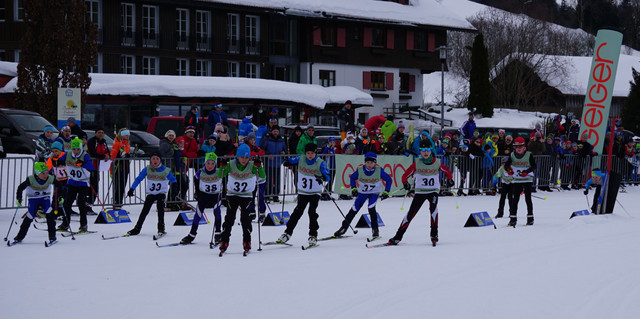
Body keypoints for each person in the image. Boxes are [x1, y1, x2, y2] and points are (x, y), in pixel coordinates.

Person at [388, 142, 454, 246]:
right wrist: (405, 183)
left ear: (431, 151)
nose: (425, 152)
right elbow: (405, 175)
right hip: (420, 192)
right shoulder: (417, 163)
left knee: (433, 210)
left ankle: (434, 235)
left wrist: (450, 179)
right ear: (420, 151)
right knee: (410, 214)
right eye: (423, 150)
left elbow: (447, 170)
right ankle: (397, 237)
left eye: (427, 150)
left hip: (433, 192)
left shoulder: (436, 162)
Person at [275, 143, 330, 245]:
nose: (310, 155)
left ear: (315, 153)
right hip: (303, 192)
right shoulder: (301, 159)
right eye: (308, 153)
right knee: (297, 212)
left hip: (314, 193)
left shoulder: (320, 163)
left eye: (312, 153)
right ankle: (287, 233)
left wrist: (322, 178)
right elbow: (290, 160)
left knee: (312, 212)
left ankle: (313, 235)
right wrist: (286, 162)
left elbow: (327, 175)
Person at [218, 144, 266, 254]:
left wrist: (259, 167)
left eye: (246, 158)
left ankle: (247, 241)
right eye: (241, 157)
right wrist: (222, 166)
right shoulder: (231, 164)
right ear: (237, 157)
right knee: (229, 218)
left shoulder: (252, 166)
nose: (244, 160)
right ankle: (224, 241)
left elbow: (262, 177)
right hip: (232, 195)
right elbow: (220, 175)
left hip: (246, 196)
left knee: (245, 219)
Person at [333, 152, 392, 240]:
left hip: (374, 193)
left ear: (375, 163)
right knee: (354, 209)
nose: (369, 165)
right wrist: (354, 188)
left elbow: (389, 180)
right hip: (362, 193)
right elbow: (352, 177)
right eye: (367, 162)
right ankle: (343, 228)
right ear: (365, 162)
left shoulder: (379, 170)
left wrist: (386, 191)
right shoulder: (360, 169)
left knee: (371, 208)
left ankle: (375, 230)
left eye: (371, 163)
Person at [11, 162, 65, 245]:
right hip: (33, 198)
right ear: (37, 172)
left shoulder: (50, 178)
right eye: (43, 173)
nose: (45, 175)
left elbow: (60, 185)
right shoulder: (30, 179)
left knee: (48, 211)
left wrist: (60, 197)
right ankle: (20, 236)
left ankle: (52, 236)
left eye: (47, 172)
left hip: (45, 198)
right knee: (30, 215)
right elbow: (20, 187)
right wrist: (19, 198)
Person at [126, 153, 178, 237]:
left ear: (160, 160)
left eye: (157, 158)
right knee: (144, 211)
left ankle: (161, 229)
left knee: (160, 209)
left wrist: (174, 188)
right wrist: (132, 189)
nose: (155, 160)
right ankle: (137, 228)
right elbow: (139, 178)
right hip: (151, 193)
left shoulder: (165, 170)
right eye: (153, 158)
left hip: (161, 193)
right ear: (150, 160)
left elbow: (173, 179)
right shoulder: (147, 169)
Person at [179, 152, 224, 244]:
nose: (210, 166)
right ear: (205, 163)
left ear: (215, 164)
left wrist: (225, 191)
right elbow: (196, 180)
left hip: (216, 195)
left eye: (212, 163)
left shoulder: (219, 171)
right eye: (208, 163)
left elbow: (226, 179)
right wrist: (197, 192)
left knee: (217, 213)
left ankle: (218, 233)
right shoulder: (200, 172)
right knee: (198, 214)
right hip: (204, 195)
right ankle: (192, 234)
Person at [58, 137, 95, 232]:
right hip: (72, 181)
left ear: (81, 149)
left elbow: (91, 167)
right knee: (67, 203)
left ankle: (83, 225)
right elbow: (59, 160)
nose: (76, 151)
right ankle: (65, 224)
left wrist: (82, 163)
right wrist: (58, 161)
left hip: (83, 182)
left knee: (80, 203)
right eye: (74, 149)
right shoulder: (68, 153)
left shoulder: (85, 155)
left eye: (78, 149)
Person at [504, 136, 536, 227]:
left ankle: (530, 218)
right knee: (515, 199)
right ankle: (513, 219)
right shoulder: (512, 155)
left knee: (528, 198)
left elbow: (534, 166)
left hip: (527, 179)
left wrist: (527, 172)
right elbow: (506, 165)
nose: (518, 148)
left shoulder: (529, 154)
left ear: (524, 146)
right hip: (517, 180)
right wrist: (509, 170)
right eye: (516, 147)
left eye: (520, 146)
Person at [262, 125, 287, 202]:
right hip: (268, 163)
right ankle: (267, 194)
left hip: (277, 163)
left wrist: (283, 153)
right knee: (268, 180)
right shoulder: (267, 140)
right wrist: (267, 154)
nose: (275, 133)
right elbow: (262, 150)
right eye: (274, 131)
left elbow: (285, 151)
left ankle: (276, 195)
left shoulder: (281, 141)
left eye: (277, 131)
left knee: (277, 180)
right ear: (271, 131)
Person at [87, 128, 110, 206]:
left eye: (102, 133)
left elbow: (107, 152)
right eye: (99, 132)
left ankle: (89, 204)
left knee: (95, 187)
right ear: (95, 133)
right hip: (90, 167)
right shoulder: (92, 141)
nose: (101, 134)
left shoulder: (104, 142)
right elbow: (92, 153)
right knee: (91, 187)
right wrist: (103, 156)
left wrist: (107, 156)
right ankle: (86, 204)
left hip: (98, 167)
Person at [110, 128, 131, 210]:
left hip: (125, 167)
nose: (128, 136)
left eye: (128, 135)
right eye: (126, 135)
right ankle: (116, 202)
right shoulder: (117, 144)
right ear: (122, 135)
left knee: (122, 185)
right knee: (118, 186)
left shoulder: (127, 144)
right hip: (118, 167)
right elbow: (113, 156)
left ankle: (119, 203)